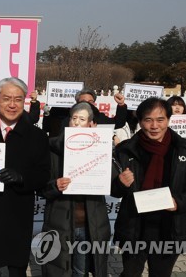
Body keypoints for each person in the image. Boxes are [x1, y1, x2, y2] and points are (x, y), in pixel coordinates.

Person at [111, 97, 186, 276]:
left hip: (170, 227)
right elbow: (112, 189)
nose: (154, 126)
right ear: (140, 122)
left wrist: (178, 202)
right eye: (148, 120)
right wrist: (120, 183)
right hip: (135, 226)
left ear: (168, 120)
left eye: (160, 119)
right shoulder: (124, 150)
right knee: (130, 273)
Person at [0, 77, 50, 276]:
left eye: (18, 99)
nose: (12, 105)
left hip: (18, 213)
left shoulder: (37, 136)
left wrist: (21, 178)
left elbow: (43, 174)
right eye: (6, 99)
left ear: (25, 102)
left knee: (17, 268)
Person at [41, 102, 110, 277]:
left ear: (91, 124)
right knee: (58, 270)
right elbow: (40, 188)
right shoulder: (51, 149)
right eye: (74, 118)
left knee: (81, 270)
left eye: (82, 119)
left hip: (90, 225)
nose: (77, 123)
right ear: (68, 121)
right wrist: (54, 185)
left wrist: (122, 180)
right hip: (61, 222)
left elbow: (114, 184)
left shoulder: (101, 149)